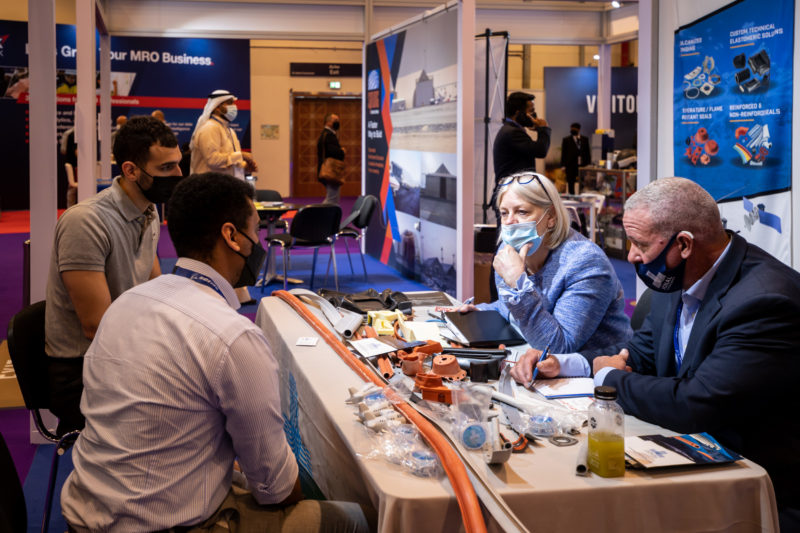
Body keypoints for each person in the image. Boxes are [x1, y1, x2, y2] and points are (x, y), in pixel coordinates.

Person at [60, 172, 372, 533]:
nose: (260, 242)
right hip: (166, 524)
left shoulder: (126, 303)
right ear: (231, 236)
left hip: (85, 512)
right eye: (255, 231)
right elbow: (277, 489)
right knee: (357, 520)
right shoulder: (233, 336)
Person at [510, 177, 800, 531]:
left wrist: (606, 377)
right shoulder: (677, 276)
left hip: (751, 489)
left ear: (684, 244)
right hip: (687, 461)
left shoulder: (765, 301)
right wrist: (564, 365)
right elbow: (638, 355)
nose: (631, 256)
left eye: (639, 244)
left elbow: (697, 404)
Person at [45, 116, 183, 436]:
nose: (178, 176)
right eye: (166, 169)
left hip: (121, 356)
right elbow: (97, 326)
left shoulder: (148, 211)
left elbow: (156, 293)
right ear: (131, 170)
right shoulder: (86, 222)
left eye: (178, 165)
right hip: (81, 371)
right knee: (188, 411)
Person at [455, 171, 631, 356]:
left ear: (551, 217)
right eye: (504, 213)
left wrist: (518, 283)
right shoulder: (507, 251)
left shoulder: (585, 262)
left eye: (522, 212)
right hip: (533, 361)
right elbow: (510, 309)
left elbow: (558, 348)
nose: (510, 223)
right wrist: (483, 311)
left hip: (596, 373)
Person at [491, 92, 551, 224]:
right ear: (519, 113)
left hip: (513, 194)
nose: (534, 116)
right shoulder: (513, 132)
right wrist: (543, 129)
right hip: (512, 196)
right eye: (531, 112)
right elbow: (540, 150)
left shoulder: (510, 130)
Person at [190, 89, 257, 180]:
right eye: (229, 103)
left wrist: (245, 168)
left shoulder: (230, 130)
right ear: (217, 107)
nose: (233, 107)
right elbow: (213, 160)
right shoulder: (210, 128)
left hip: (226, 186)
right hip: (208, 187)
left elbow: (229, 162)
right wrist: (241, 155)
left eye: (233, 103)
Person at [316, 112, 345, 205]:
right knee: (332, 199)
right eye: (335, 120)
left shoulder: (327, 134)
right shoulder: (328, 135)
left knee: (333, 198)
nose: (338, 122)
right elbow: (333, 152)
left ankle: (328, 216)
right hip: (331, 171)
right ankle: (319, 215)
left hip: (329, 170)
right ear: (328, 122)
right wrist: (342, 151)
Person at [560, 122, 590, 195]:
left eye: (574, 129)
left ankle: (581, 196)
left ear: (578, 129)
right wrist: (563, 165)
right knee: (570, 182)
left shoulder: (585, 139)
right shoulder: (566, 140)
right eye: (571, 129)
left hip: (582, 165)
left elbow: (587, 152)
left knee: (582, 182)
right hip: (570, 165)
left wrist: (588, 164)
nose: (572, 130)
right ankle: (571, 197)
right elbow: (563, 153)